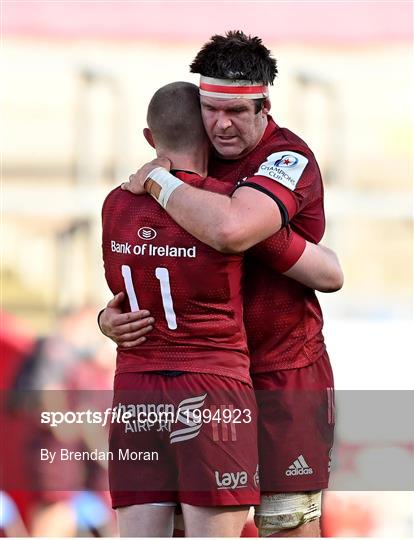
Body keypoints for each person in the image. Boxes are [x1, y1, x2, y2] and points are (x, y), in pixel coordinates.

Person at [104, 31, 340, 537]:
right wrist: (110, 317)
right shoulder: (190, 156)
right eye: (210, 109)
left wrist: (157, 182)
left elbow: (232, 230)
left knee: (284, 526)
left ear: (263, 107)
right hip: (205, 376)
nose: (221, 124)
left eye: (236, 112)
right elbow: (149, 262)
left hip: (281, 372)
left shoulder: (285, 157)